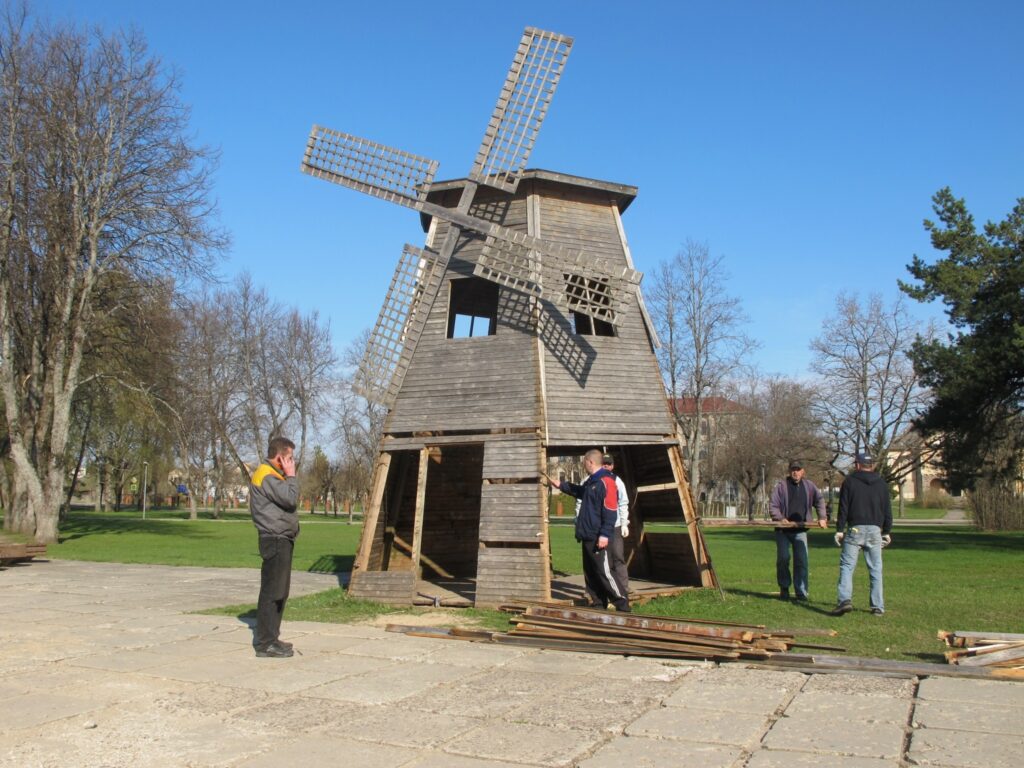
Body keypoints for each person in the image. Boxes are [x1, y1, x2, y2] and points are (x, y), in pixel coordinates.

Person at [544, 449, 629, 612]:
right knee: (591, 574)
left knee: (605, 572)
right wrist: (561, 485)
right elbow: (581, 492)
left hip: (599, 536)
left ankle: (622, 604)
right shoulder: (591, 482)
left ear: (590, 462)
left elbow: (611, 510)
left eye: (584, 463)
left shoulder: (607, 481)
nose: (584, 466)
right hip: (588, 535)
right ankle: (598, 604)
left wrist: (604, 534)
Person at [250, 436, 299, 657]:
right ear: (279, 457)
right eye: (289, 457)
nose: (292, 461)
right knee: (272, 591)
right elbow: (290, 499)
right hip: (274, 539)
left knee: (280, 591)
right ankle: (265, 643)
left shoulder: (272, 475)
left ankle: (273, 637)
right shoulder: (267, 475)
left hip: (282, 539)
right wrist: (292, 477)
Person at [831, 451, 892, 616]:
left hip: (855, 528)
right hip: (875, 530)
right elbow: (887, 509)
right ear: (871, 465)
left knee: (847, 566)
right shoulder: (881, 484)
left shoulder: (849, 482)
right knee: (876, 569)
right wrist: (886, 531)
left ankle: (844, 600)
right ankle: (878, 607)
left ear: (857, 465)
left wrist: (839, 530)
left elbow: (844, 507)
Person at [769, 460, 827, 601]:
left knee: (802, 561)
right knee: (783, 559)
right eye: (793, 469)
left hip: (800, 530)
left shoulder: (809, 486)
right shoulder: (781, 486)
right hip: (783, 530)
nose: (795, 472)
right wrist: (780, 518)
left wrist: (822, 517)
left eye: (798, 469)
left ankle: (801, 592)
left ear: (803, 471)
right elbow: (773, 506)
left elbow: (819, 500)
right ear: (789, 471)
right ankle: (784, 588)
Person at [601, 454, 631, 597]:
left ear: (612, 466)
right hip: (599, 527)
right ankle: (603, 589)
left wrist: (624, 523)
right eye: (604, 463)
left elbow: (623, 502)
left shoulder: (617, 481)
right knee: (601, 559)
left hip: (615, 525)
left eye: (608, 464)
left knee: (618, 557)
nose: (606, 466)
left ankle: (623, 589)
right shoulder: (592, 480)